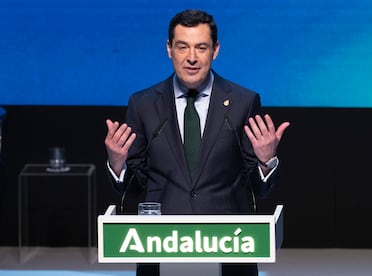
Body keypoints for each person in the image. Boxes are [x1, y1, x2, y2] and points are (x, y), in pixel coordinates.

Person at [105, 9, 290, 276]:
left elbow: (260, 190)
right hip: (161, 248)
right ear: (169, 49)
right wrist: (118, 164)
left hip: (229, 250)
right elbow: (135, 188)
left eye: (201, 47)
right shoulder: (143, 104)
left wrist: (265, 161)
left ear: (215, 50)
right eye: (182, 47)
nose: (191, 58)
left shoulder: (243, 102)